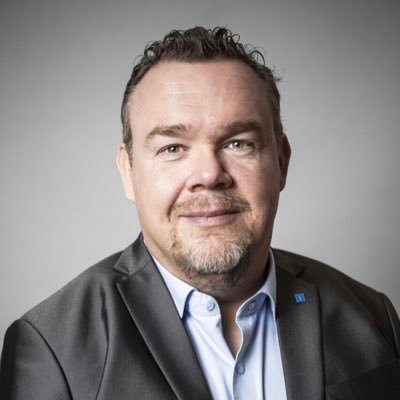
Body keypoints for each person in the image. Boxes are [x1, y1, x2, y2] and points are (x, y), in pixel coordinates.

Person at [0, 26, 399, 400]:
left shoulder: (372, 317)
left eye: (239, 143)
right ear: (128, 171)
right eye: (172, 148)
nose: (209, 175)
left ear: (281, 162)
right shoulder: (52, 347)